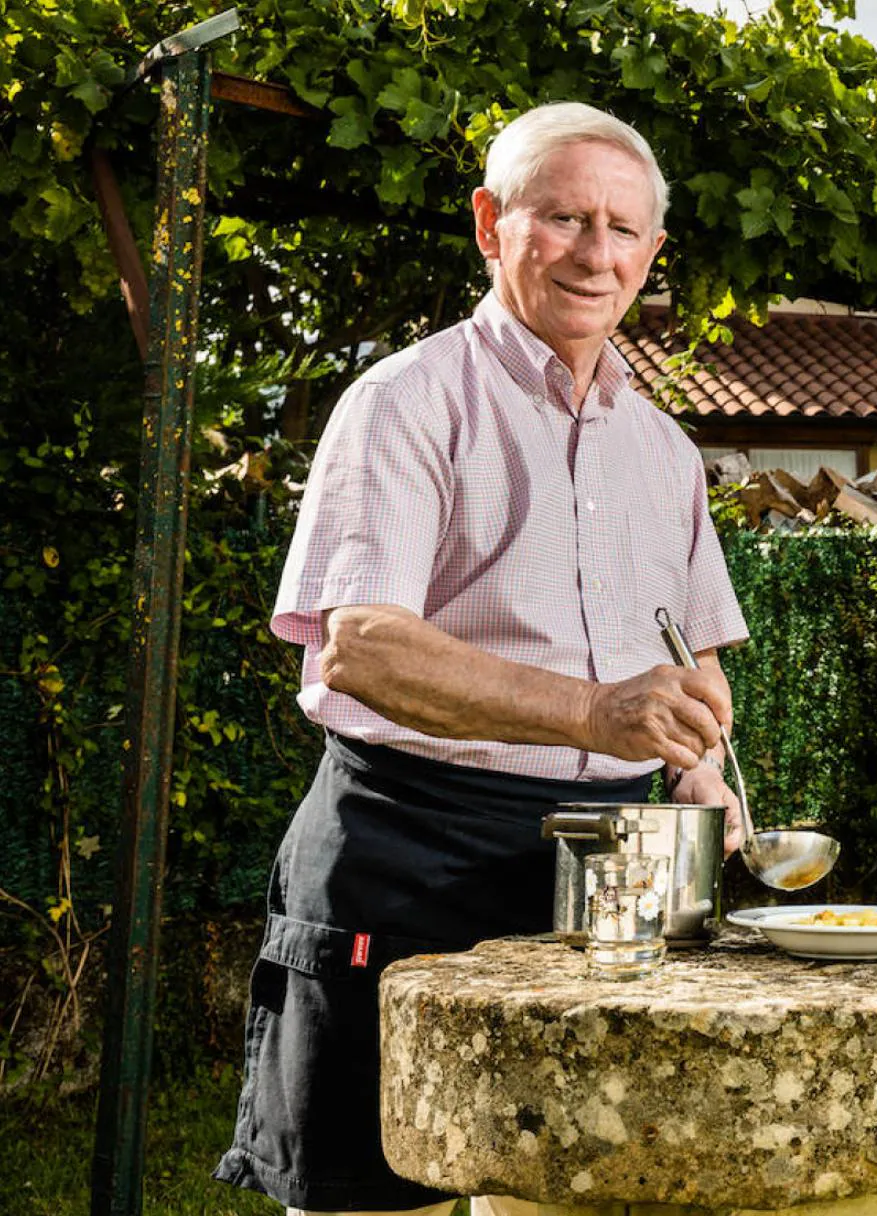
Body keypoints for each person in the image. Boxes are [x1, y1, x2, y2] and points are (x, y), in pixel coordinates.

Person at [214, 101, 748, 1216]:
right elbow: (361, 647)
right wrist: (598, 714)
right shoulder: (405, 403)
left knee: (576, 1197)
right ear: (490, 225)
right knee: (376, 1202)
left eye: (622, 229)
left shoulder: (667, 451)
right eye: (563, 218)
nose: (595, 253)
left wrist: (699, 765)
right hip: (408, 853)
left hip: (612, 887)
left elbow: (693, 664)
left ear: (653, 255)